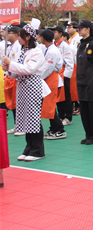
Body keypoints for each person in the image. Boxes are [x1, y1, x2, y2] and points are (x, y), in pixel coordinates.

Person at [3, 25, 48, 161]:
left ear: (28, 37)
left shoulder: (37, 52)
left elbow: (28, 69)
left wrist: (11, 64)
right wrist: (9, 69)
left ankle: (38, 150)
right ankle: (29, 147)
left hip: (33, 87)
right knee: (25, 118)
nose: (18, 38)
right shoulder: (22, 51)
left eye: (20, 36)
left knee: (33, 118)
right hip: (22, 87)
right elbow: (17, 72)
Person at [37, 29, 66, 140]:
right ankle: (54, 128)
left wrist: (39, 78)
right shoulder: (49, 49)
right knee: (48, 105)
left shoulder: (52, 51)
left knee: (49, 105)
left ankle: (59, 129)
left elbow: (48, 68)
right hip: (49, 78)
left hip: (51, 78)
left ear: (43, 38)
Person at [52, 26, 75, 126]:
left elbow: (70, 62)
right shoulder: (53, 45)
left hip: (63, 73)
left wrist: (66, 76)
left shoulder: (65, 46)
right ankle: (61, 115)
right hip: (56, 74)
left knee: (66, 95)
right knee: (58, 96)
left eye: (55, 32)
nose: (53, 34)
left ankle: (68, 117)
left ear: (60, 33)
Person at [4, 26, 21, 135]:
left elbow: (17, 63)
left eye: (9, 33)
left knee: (17, 102)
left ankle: (21, 126)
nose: (7, 35)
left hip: (16, 77)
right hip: (10, 76)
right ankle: (17, 125)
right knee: (13, 103)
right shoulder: (10, 47)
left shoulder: (18, 46)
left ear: (16, 34)